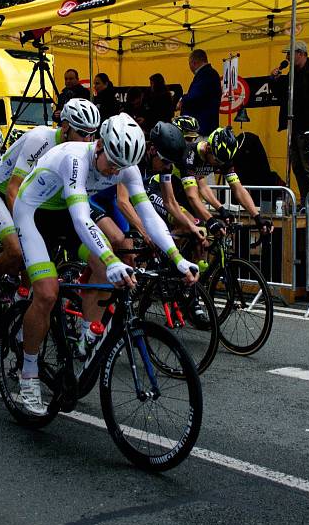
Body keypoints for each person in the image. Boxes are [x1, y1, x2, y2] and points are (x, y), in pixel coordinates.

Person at [12, 113, 199, 415]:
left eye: (120, 168)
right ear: (98, 145)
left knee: (104, 271)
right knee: (47, 293)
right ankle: (29, 374)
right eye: (110, 162)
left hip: (67, 214)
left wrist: (178, 259)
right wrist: (111, 258)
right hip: (34, 213)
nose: (113, 172)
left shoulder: (126, 167)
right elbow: (81, 217)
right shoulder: (76, 157)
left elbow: (149, 214)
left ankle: (87, 334)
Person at [0, 98, 101, 300]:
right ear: (66, 126)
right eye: (83, 133)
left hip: (27, 197)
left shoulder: (80, 153)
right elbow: (12, 188)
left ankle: (20, 300)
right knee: (17, 249)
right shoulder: (41, 139)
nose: (88, 140)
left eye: (92, 134)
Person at [270, 40, 309, 212]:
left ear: (301, 54)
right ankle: (306, 201)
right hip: (294, 127)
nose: (287, 57)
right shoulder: (291, 75)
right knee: (297, 166)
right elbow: (280, 95)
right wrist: (274, 80)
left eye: (290, 54)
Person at [179, 49, 222, 136]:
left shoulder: (205, 74)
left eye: (189, 63)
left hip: (202, 127)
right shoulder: (210, 73)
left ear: (194, 62)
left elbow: (194, 96)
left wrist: (183, 100)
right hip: (207, 125)